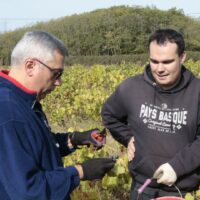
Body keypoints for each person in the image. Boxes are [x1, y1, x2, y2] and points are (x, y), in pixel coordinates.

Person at [0, 31, 116, 200]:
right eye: (56, 73)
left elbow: (34, 148)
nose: (59, 82)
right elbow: (28, 192)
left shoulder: (24, 100)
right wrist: (80, 171)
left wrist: (74, 139)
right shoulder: (9, 113)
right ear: (30, 66)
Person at [101, 29, 200, 199]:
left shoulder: (197, 92)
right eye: (154, 61)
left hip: (184, 191)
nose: (159, 69)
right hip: (142, 187)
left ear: (183, 57)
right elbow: (109, 115)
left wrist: (177, 166)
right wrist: (127, 137)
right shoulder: (131, 88)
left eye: (167, 61)